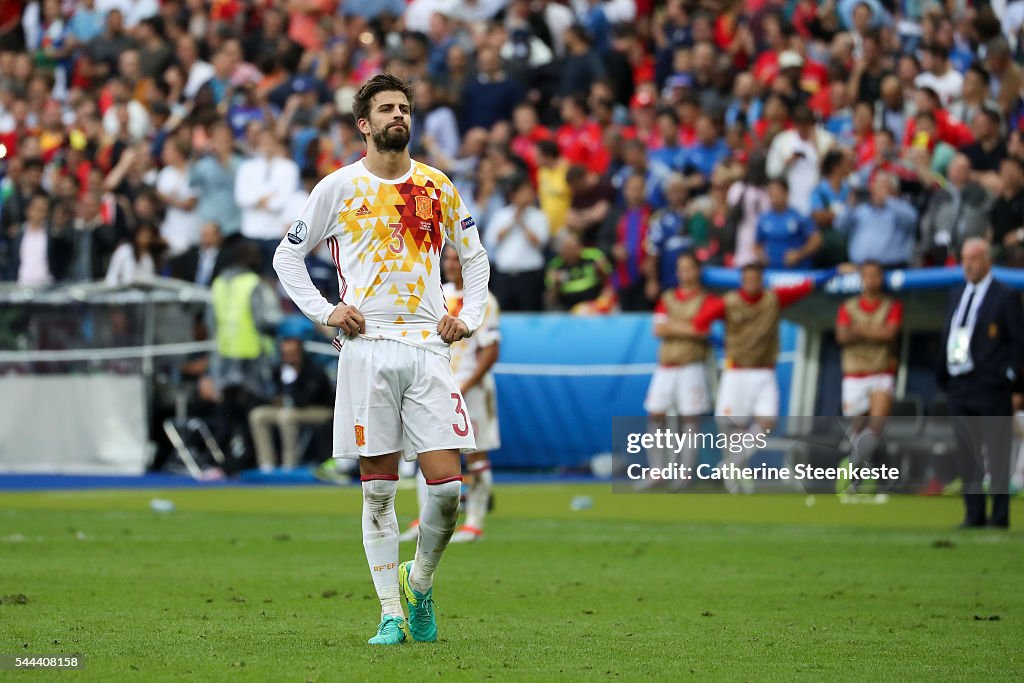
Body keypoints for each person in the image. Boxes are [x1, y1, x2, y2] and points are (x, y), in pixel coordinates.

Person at [273, 73, 490, 646]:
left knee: (447, 489)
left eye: (405, 107)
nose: (399, 115)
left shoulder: (438, 187)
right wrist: (325, 311)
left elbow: (475, 260)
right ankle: (391, 613)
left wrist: (466, 319)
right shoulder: (338, 188)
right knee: (378, 490)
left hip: (426, 346)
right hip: (366, 349)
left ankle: (419, 584)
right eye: (387, 109)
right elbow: (287, 258)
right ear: (364, 125)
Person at [401, 248, 502, 543]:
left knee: (476, 453)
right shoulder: (436, 294)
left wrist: (468, 384)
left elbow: (491, 350)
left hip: (472, 388)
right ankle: (425, 519)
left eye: (457, 259)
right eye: (447, 259)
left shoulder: (483, 300)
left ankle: (474, 523)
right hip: (436, 385)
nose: (451, 264)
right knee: (428, 449)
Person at [689, 263, 815, 492]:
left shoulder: (771, 300)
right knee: (730, 425)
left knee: (767, 422)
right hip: (736, 370)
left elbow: (806, 286)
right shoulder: (729, 302)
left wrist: (834, 273)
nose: (752, 283)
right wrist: (719, 343)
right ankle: (733, 480)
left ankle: (727, 466)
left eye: (756, 279)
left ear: (762, 280)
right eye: (747, 279)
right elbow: (700, 321)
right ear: (741, 281)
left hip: (764, 370)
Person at [937, 239, 1024, 529]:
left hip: (991, 384)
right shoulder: (955, 294)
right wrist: (944, 375)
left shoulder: (1005, 296)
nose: (968, 264)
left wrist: (1011, 377)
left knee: (997, 454)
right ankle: (973, 514)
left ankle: (999, 517)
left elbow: (1018, 343)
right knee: (967, 453)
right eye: (964, 258)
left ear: (987, 260)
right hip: (960, 383)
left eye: (973, 258)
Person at [642, 253, 719, 486]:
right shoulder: (667, 296)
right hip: (666, 365)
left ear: (697, 271)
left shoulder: (707, 299)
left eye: (689, 269)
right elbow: (658, 329)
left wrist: (672, 326)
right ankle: (658, 471)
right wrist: (686, 326)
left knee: (690, 418)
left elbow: (702, 331)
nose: (684, 274)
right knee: (656, 413)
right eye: (680, 269)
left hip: (691, 365)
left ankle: (685, 474)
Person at [835, 260, 902, 489]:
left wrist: (859, 329)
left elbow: (889, 334)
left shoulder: (891, 305)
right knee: (858, 428)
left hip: (881, 371)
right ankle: (861, 476)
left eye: (876, 275)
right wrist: (875, 331)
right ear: (861, 278)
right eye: (867, 275)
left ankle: (851, 469)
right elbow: (842, 336)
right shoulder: (848, 305)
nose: (872, 280)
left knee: (876, 425)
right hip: (854, 372)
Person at [248, 337, 334, 472]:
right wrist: (277, 398)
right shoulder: (280, 369)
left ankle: (290, 463)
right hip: (290, 408)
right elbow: (276, 393)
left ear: (299, 352)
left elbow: (307, 399)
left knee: (286, 416)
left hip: (320, 410)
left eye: (292, 353)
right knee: (258, 415)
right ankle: (266, 463)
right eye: (285, 354)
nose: (288, 357)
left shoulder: (313, 370)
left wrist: (293, 384)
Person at [484, 174, 550, 312]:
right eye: (523, 191)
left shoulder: (538, 216)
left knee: (530, 315)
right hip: (504, 276)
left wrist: (523, 223)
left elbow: (540, 242)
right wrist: (512, 221)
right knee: (501, 314)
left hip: (529, 276)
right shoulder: (501, 215)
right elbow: (491, 241)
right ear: (514, 194)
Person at [835, 171, 918, 267]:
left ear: (894, 190)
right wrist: (850, 205)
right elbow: (839, 226)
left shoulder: (901, 208)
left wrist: (887, 200)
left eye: (881, 187)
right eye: (874, 186)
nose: (875, 190)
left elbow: (912, 219)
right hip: (861, 268)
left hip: (892, 267)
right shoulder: (862, 210)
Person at [755, 178, 822, 270]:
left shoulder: (799, 217)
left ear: (786, 193)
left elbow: (816, 240)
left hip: (796, 273)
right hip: (771, 272)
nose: (774, 198)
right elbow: (757, 244)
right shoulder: (764, 219)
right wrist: (760, 255)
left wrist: (800, 254)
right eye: (771, 194)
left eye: (777, 194)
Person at [544, 231, 613, 312]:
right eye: (569, 248)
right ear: (562, 251)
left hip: (594, 307)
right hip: (567, 309)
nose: (574, 250)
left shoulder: (594, 257)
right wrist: (555, 285)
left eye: (576, 245)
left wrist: (601, 272)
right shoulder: (555, 266)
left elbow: (610, 283)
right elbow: (549, 299)